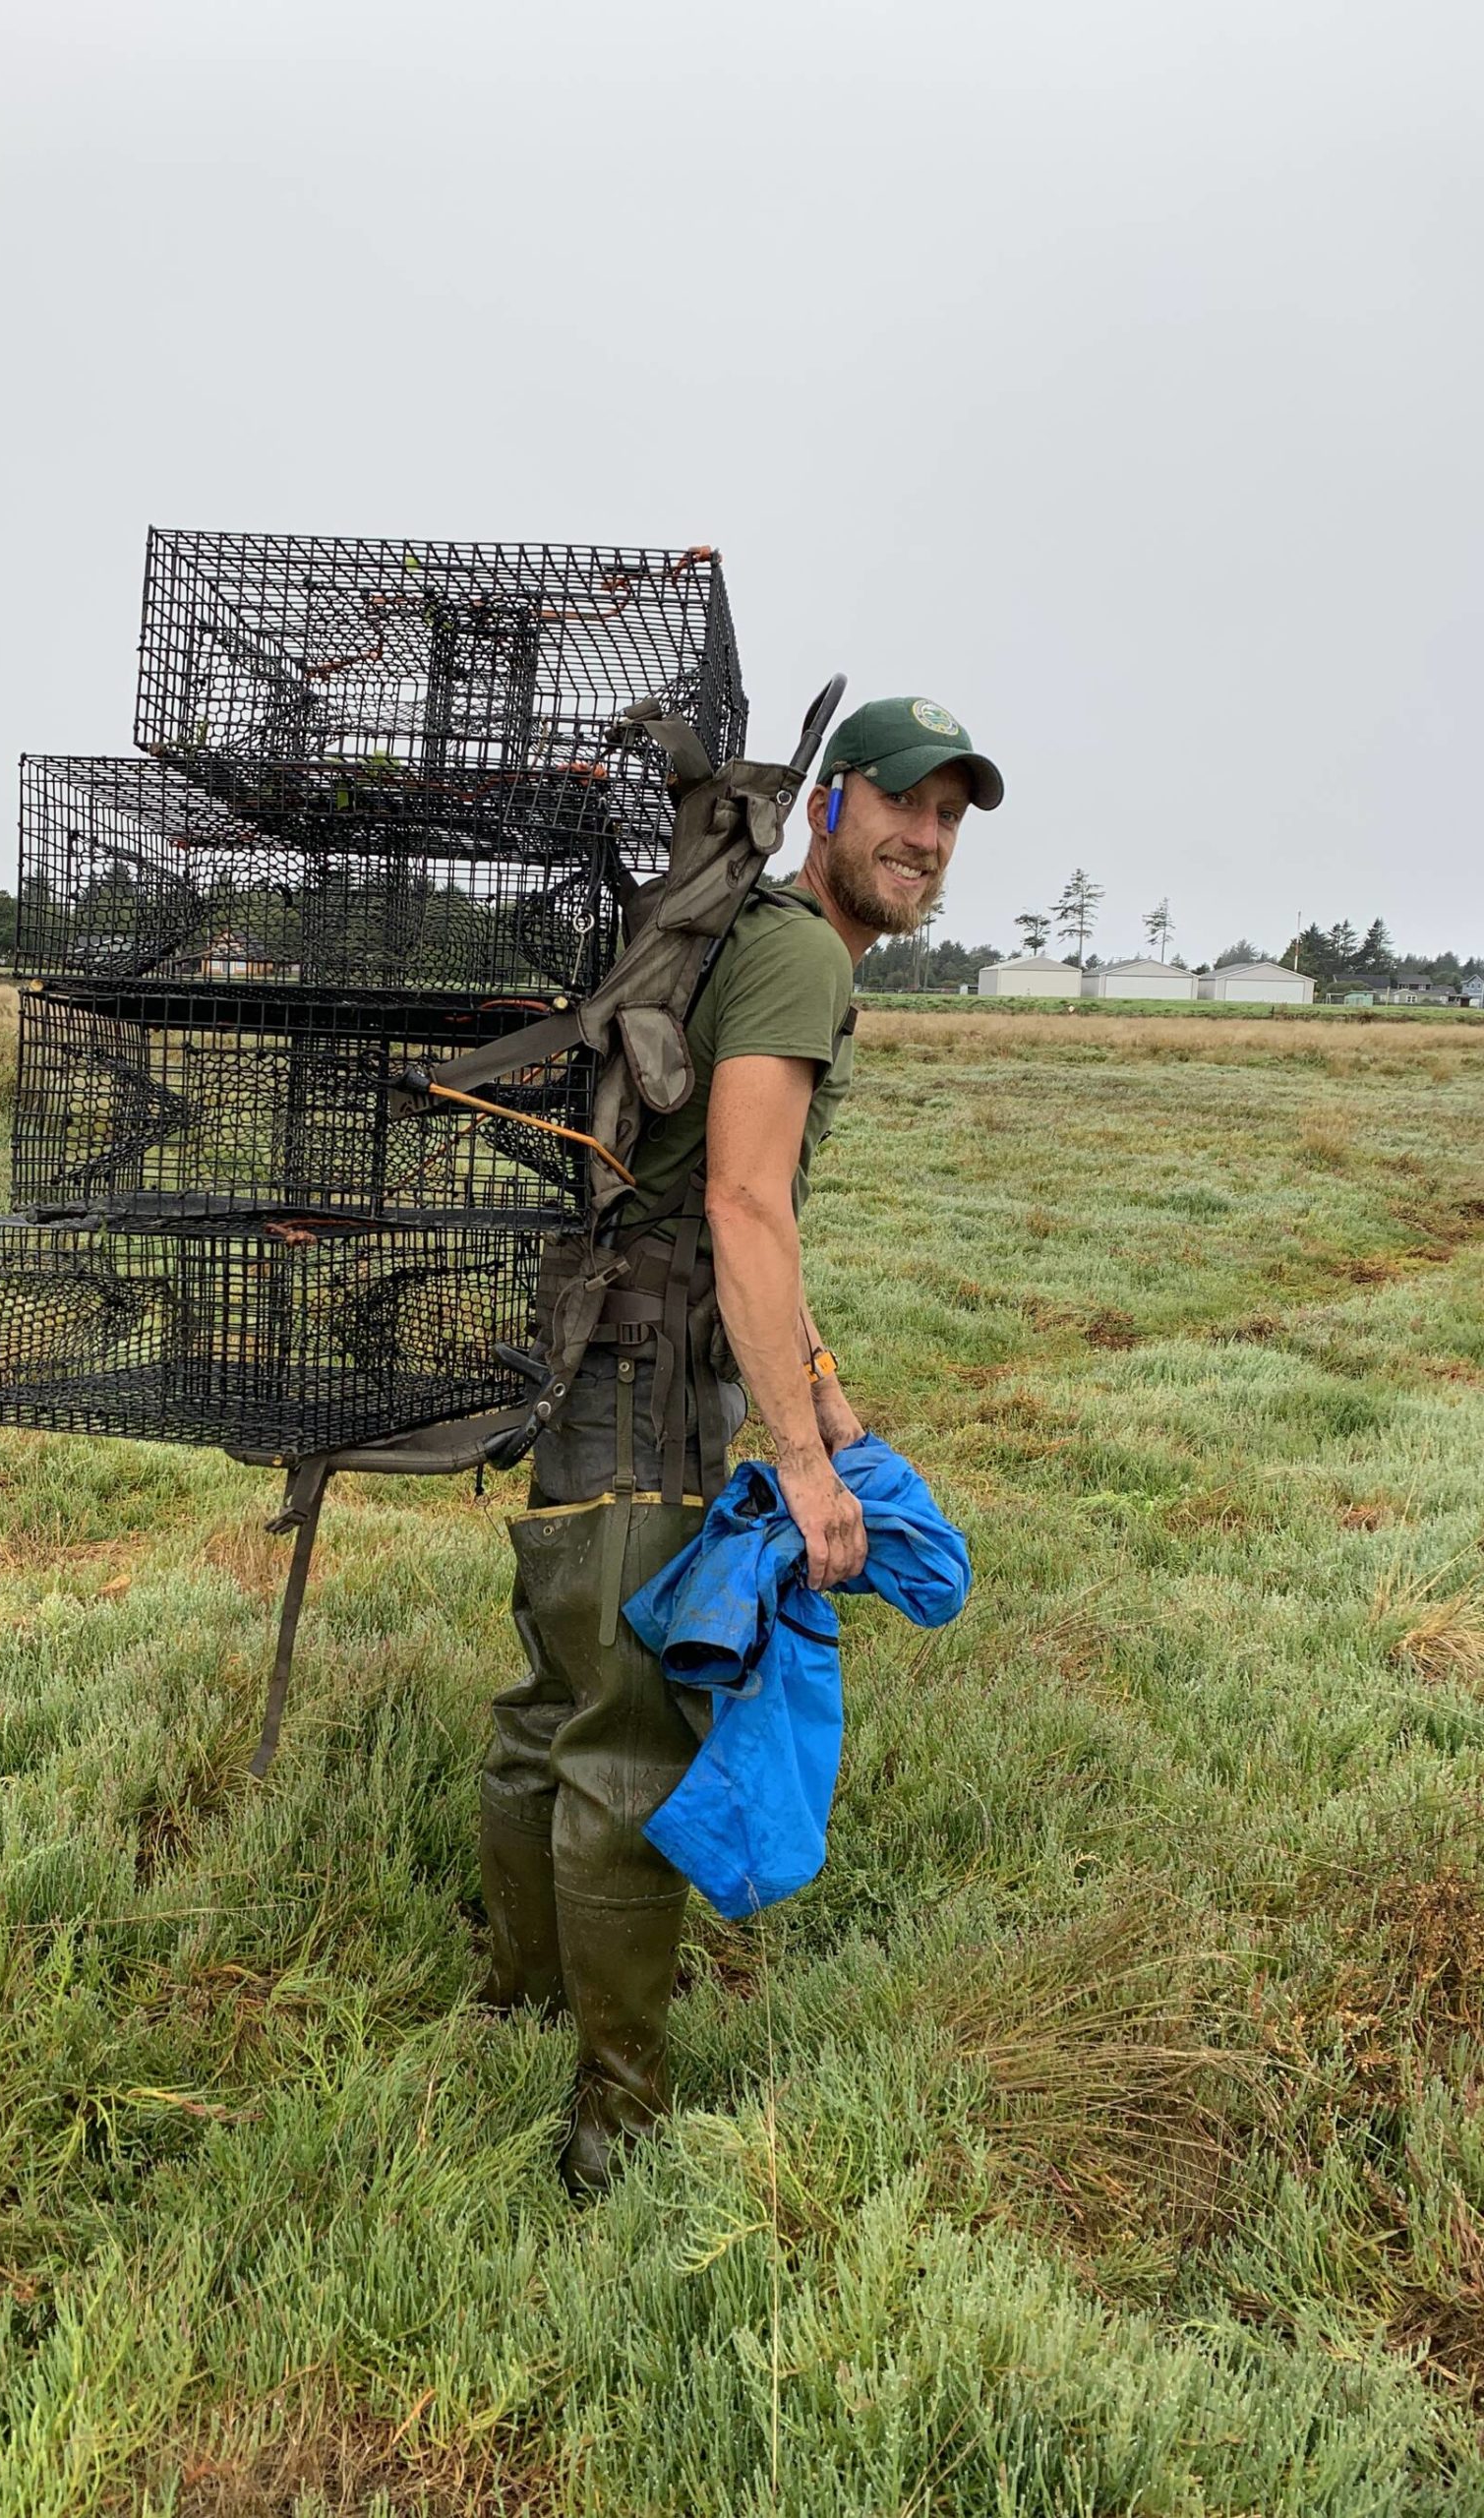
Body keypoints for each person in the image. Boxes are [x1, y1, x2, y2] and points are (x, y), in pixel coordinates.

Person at [477, 694, 1004, 2193]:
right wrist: (808, 1466)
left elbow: (738, 1215)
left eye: (950, 816)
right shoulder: (793, 955)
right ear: (829, 805)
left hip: (603, 1356)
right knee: (630, 1736)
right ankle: (617, 2126)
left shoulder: (757, 936)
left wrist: (817, 1378)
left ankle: (516, 1995)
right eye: (903, 803)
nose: (926, 837)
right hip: (650, 1382)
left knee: (556, 1697)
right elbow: (743, 1204)